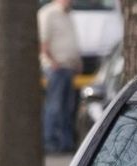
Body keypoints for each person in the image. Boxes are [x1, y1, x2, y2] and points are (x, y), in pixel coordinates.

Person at [39, 0, 81, 153]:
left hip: (68, 67)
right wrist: (52, 62)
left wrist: (77, 62)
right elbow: (43, 41)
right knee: (54, 106)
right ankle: (50, 141)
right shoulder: (48, 13)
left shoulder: (68, 14)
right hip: (56, 67)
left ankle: (65, 142)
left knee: (67, 107)